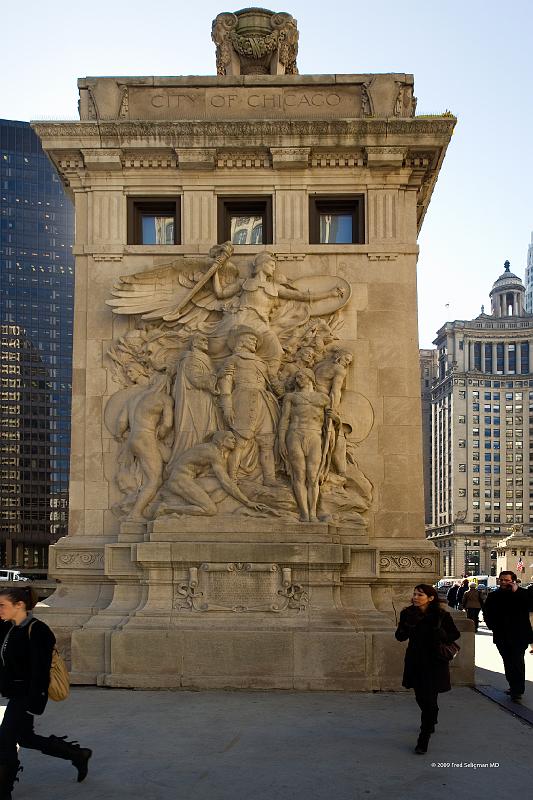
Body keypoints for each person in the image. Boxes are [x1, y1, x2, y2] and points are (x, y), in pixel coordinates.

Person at [0, 586, 91, 798]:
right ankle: (78, 755)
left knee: (4, 740)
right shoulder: (8, 628)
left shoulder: (38, 631)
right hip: (14, 692)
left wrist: (34, 703)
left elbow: (40, 673)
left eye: (2, 605)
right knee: (25, 738)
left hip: (27, 694)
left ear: (19, 605)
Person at [395, 584, 460, 755]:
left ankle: (423, 738)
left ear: (430, 598)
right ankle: (432, 716)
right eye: (415, 594)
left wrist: (440, 633)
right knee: (420, 697)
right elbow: (399, 637)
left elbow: (454, 635)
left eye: (420, 595)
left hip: (435, 661)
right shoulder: (407, 613)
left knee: (430, 699)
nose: (416, 597)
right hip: (415, 660)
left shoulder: (441, 615)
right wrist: (408, 626)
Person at [483, 570, 533, 702]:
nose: (503, 582)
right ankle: (512, 685)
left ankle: (518, 691)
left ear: (513, 581)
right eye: (501, 580)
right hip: (501, 635)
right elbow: (486, 612)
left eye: (507, 580)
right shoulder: (493, 595)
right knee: (508, 662)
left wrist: (517, 592)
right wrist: (492, 626)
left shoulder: (523, 594)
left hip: (519, 636)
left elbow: (529, 605)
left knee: (517, 662)